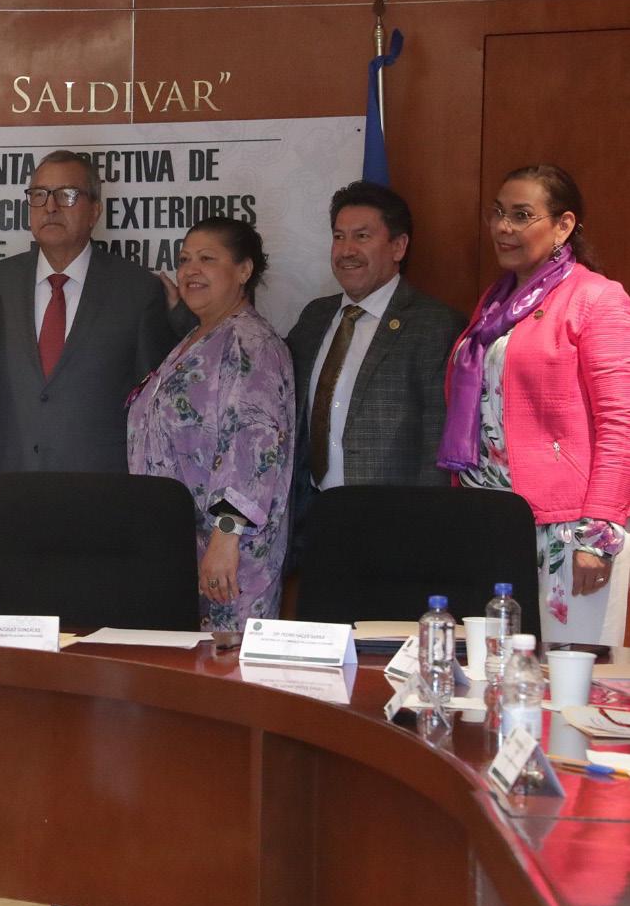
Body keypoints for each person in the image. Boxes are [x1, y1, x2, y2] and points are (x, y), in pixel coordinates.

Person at [439, 164, 630, 645]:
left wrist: (598, 536)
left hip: (569, 530)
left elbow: (621, 423)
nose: (503, 227)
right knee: (494, 674)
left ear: (563, 225)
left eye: (522, 215)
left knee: (571, 675)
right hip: (492, 519)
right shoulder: (496, 302)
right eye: (498, 213)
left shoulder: (597, 298)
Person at [126, 217, 294, 629]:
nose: (190, 270)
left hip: (227, 558)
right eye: (184, 260)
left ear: (244, 270)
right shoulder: (197, 338)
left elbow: (252, 449)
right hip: (178, 549)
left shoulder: (250, 343)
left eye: (207, 259)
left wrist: (225, 536)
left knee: (223, 664)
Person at [0, 149, 175, 477]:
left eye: (67, 195)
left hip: (98, 487)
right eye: (39, 195)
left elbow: (151, 404)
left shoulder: (136, 290)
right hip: (7, 483)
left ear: (95, 211)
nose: (50, 207)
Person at [287, 181, 465, 509]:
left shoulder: (434, 326)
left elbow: (438, 444)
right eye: (339, 236)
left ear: (398, 247)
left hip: (392, 515)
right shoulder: (315, 317)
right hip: (313, 513)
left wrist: (429, 520)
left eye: (362, 236)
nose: (346, 251)